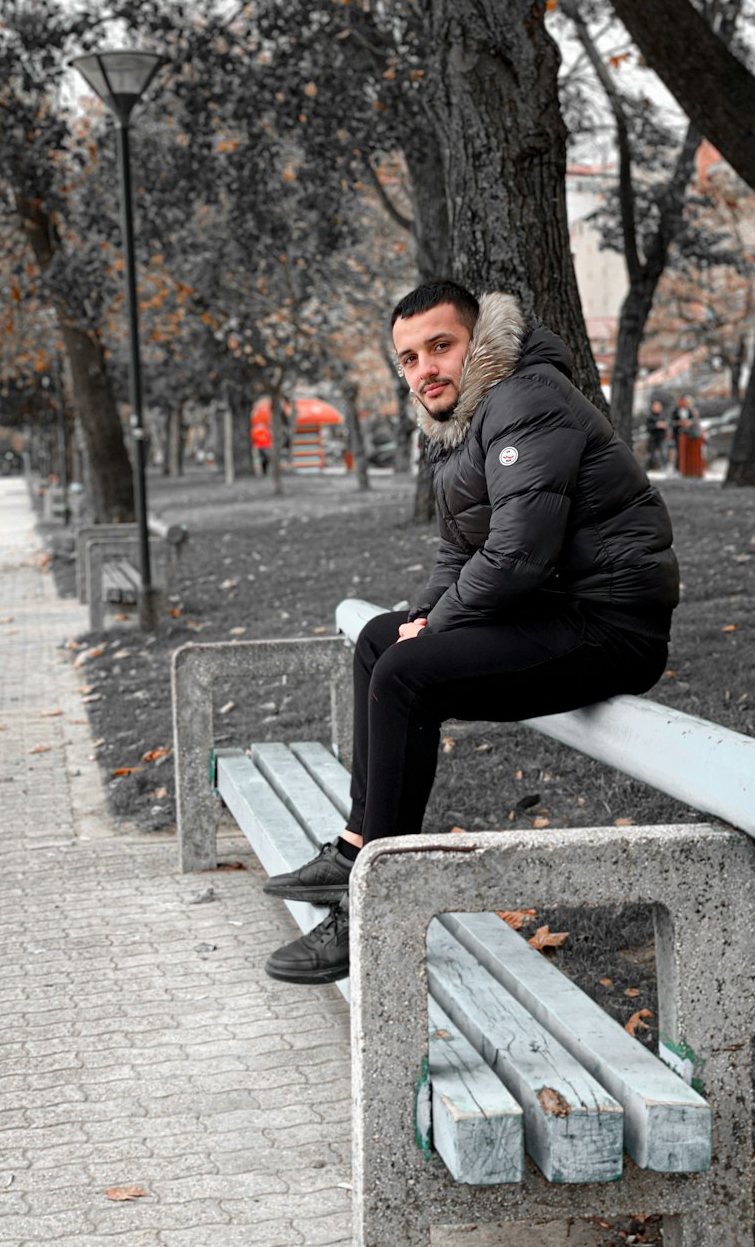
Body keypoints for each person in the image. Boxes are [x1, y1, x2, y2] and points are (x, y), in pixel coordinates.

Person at [262, 280, 680, 985]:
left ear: (478, 340)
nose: (424, 368)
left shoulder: (524, 399)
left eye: (440, 346)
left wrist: (435, 627)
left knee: (405, 674)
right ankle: (356, 845)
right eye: (408, 358)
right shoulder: (464, 423)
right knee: (379, 641)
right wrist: (417, 618)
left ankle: (376, 908)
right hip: (555, 607)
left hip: (611, 624)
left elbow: (517, 555)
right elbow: (458, 557)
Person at [644, 398, 669, 470]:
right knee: (652, 454)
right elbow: (648, 427)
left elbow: (667, 425)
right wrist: (656, 425)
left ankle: (664, 467)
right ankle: (651, 467)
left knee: (663, 453)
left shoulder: (663, 416)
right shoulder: (650, 416)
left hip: (661, 437)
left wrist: (664, 425)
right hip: (653, 437)